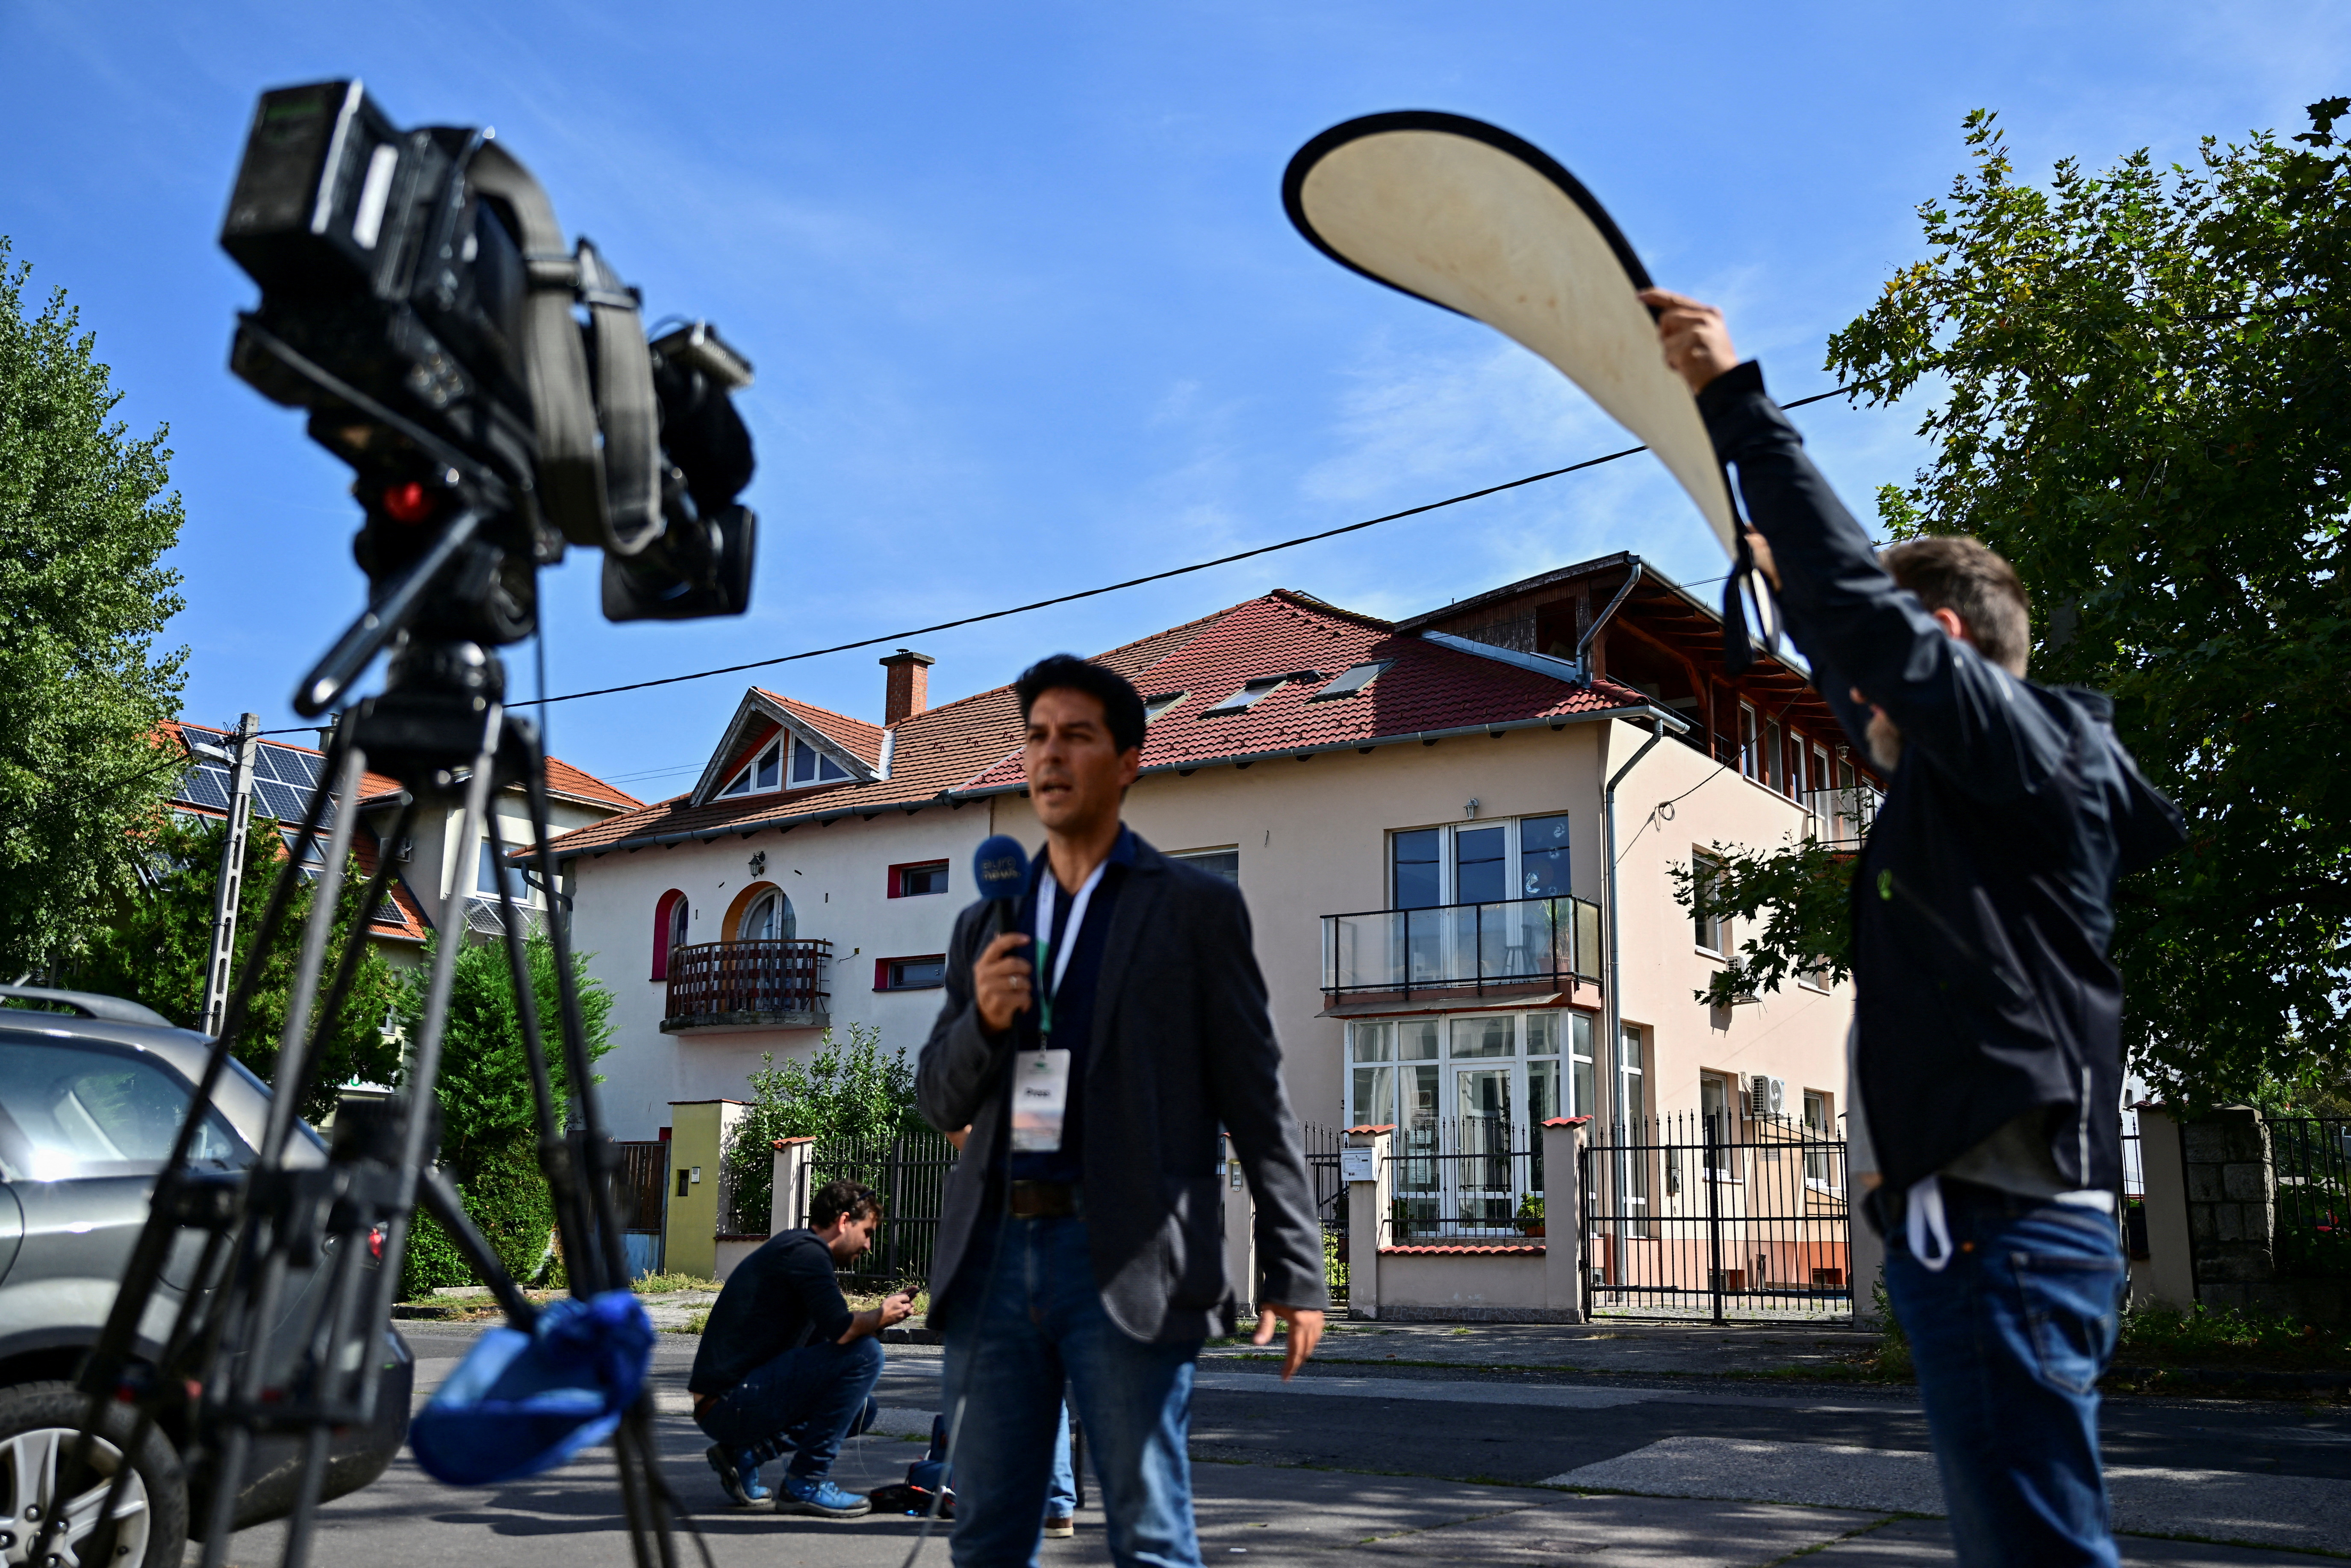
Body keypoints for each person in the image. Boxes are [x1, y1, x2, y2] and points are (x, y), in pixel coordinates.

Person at [1644, 288, 2185, 1567]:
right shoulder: (1974, 786)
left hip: (2005, 1235)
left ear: (1940, 642)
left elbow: (1865, 627)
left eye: (1882, 671)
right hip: (1980, 1237)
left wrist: (1735, 400)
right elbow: (1855, 660)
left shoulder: (2027, 748)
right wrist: (1785, 585)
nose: (1853, 714)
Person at [917, 654, 1329, 1568]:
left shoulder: (1195, 910)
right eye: (1035, 737)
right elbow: (937, 1095)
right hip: (992, 1260)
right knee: (983, 1532)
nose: (1050, 756)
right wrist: (983, 1021)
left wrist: (1296, 1264)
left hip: (1131, 1256)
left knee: (1148, 1533)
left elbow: (1255, 1096)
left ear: (1130, 760)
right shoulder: (985, 923)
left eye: (1076, 736)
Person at [688, 1176, 917, 1518]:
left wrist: (875, 1323)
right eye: (867, 1233)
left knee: (860, 1409)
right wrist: (880, 1316)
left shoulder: (800, 1253)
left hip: (729, 1400)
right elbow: (843, 1331)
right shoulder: (807, 1252)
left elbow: (829, 1350)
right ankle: (805, 1483)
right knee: (867, 1355)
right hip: (727, 1401)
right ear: (843, 1221)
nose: (869, 1246)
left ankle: (743, 1456)